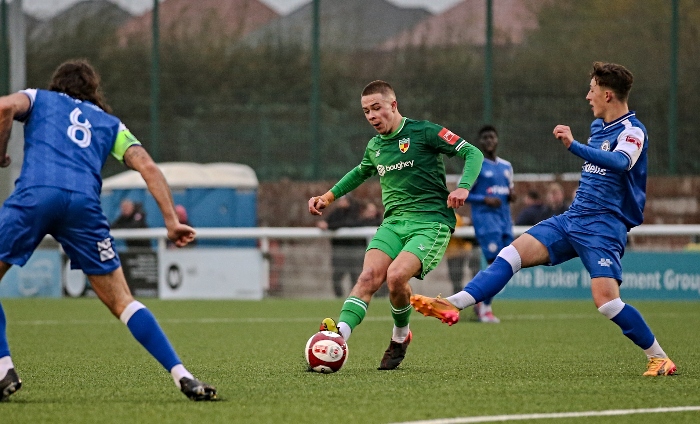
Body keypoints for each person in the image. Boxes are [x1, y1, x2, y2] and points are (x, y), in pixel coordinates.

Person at [411, 62, 676, 377]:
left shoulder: (633, 131)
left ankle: (659, 357)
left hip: (604, 227)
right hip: (573, 219)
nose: (587, 96)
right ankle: (454, 303)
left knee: (606, 302)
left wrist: (573, 146)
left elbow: (620, 162)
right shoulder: (598, 128)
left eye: (592, 90)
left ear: (607, 94)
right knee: (511, 254)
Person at [0, 59, 217, 401]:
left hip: (36, 195)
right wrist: (171, 221)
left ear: (58, 85)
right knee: (123, 301)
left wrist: (1, 152)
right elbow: (147, 166)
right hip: (84, 207)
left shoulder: (40, 98)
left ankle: (3, 368)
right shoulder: (110, 124)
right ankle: (182, 375)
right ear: (93, 91)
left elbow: (3, 107)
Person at [308, 80, 483, 370]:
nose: (372, 116)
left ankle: (400, 336)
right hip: (393, 223)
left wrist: (463, 187)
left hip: (430, 222)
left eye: (377, 108)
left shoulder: (424, 131)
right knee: (367, 279)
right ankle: (338, 338)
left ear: (394, 105)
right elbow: (360, 172)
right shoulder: (375, 146)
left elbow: (472, 152)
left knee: (396, 276)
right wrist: (328, 197)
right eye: (366, 111)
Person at [464, 125, 515, 323]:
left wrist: (512, 195)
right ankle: (485, 308)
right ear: (480, 142)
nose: (488, 141)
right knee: (496, 264)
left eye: (491, 137)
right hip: (486, 222)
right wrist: (484, 199)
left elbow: (509, 190)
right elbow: (464, 193)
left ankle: (479, 299)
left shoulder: (506, 166)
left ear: (497, 140)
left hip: (504, 221)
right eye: (484, 138)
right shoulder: (475, 165)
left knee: (506, 265)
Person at [316, 195, 365, 298]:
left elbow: (350, 224)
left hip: (354, 251)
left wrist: (329, 226)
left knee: (355, 277)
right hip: (339, 251)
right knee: (337, 276)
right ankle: (339, 298)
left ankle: (354, 297)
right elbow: (327, 223)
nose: (341, 202)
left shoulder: (355, 212)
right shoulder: (336, 213)